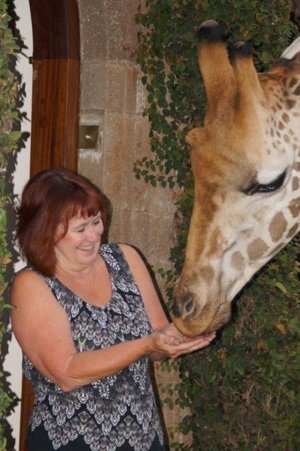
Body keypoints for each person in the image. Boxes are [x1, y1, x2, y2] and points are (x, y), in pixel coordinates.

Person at [10, 167, 215, 451]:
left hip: (143, 438)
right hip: (71, 442)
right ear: (47, 232)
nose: (94, 235)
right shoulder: (32, 285)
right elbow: (67, 373)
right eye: (81, 229)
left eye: (96, 222)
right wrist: (146, 344)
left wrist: (182, 332)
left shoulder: (125, 258)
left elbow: (157, 344)